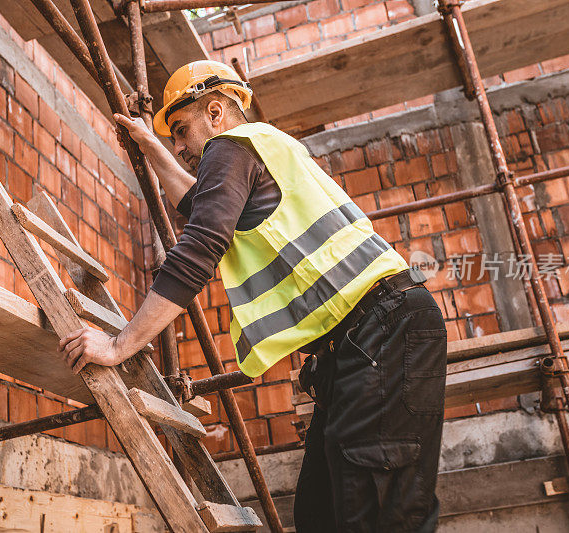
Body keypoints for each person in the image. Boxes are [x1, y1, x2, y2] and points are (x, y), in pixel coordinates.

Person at [58, 60, 447, 532]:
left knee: (376, 515)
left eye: (180, 130)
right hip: (364, 340)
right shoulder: (258, 151)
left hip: (379, 332)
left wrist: (120, 345)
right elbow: (199, 203)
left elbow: (200, 245)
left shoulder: (231, 148)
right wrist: (152, 148)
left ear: (216, 111)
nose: (179, 148)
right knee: (323, 513)